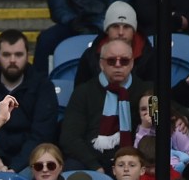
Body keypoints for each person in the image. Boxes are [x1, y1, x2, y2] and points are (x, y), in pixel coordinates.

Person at [0, 29, 59, 173]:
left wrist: (15, 168)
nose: (12, 60)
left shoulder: (43, 86)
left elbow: (41, 134)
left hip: (32, 160)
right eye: (6, 54)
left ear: (27, 55)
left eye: (18, 54)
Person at [60, 39, 148, 172]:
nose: (118, 65)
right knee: (72, 168)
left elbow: (163, 120)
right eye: (111, 61)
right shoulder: (83, 92)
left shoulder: (148, 92)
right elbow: (70, 137)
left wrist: (183, 118)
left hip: (135, 161)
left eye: (124, 61)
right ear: (101, 64)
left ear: (131, 63)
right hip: (93, 160)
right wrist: (95, 166)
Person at [72, 1, 156, 87]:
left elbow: (156, 97)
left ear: (134, 31)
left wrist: (147, 100)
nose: (120, 32)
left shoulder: (150, 57)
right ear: (107, 30)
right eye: (115, 26)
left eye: (126, 27)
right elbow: (78, 95)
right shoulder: (90, 57)